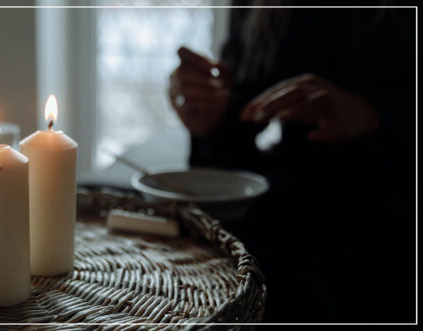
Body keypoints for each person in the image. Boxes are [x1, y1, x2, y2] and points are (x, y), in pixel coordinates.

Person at [169, 4, 415, 323]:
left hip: (389, 229)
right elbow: (242, 119)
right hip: (287, 220)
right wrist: (212, 119)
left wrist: (375, 114)